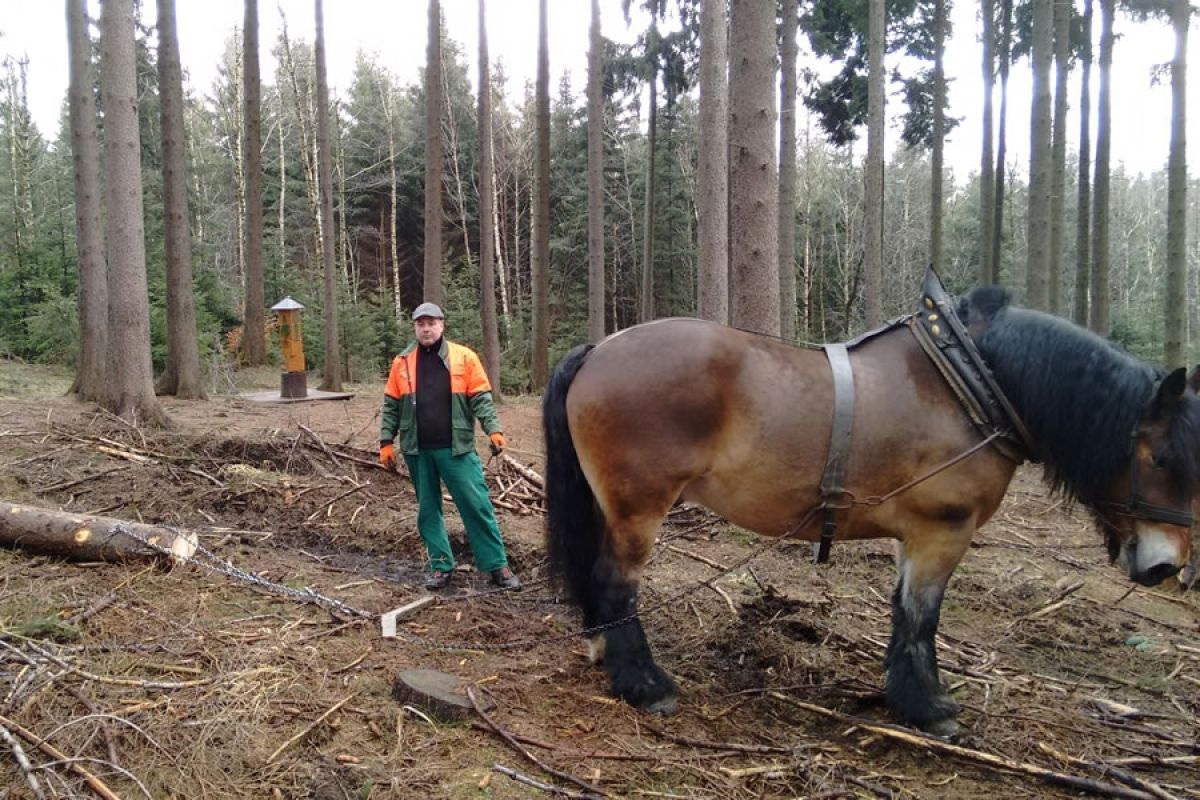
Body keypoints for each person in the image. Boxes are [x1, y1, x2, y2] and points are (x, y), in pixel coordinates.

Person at [379, 302, 520, 591]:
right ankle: (441, 566)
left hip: (457, 448)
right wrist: (386, 443)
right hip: (417, 450)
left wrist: (493, 430)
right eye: (421, 323)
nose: (426, 328)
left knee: (476, 504)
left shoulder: (464, 357)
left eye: (432, 323)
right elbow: (391, 406)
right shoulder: (402, 362)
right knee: (428, 511)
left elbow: (481, 398)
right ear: (415, 327)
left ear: (442, 325)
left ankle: (496, 566)